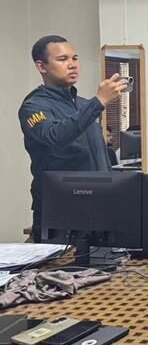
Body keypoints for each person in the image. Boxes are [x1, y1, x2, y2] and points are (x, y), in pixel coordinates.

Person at [18, 35, 127, 242]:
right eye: (62, 59)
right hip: (60, 210)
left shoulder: (84, 105)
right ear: (41, 66)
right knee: (59, 264)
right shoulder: (33, 106)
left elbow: (99, 156)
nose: (72, 64)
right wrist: (99, 101)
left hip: (99, 206)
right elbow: (55, 136)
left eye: (75, 58)